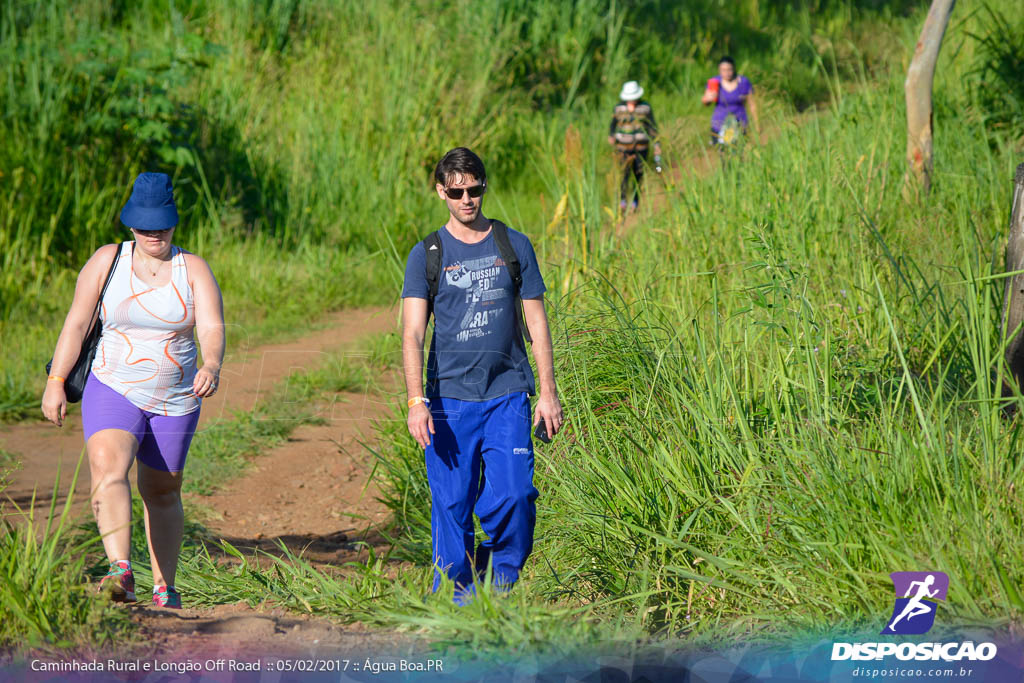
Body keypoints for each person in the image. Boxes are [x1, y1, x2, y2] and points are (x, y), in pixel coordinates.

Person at [41, 172, 225, 609]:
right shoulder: (108, 260)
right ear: (130, 225)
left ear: (174, 222)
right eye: (145, 227)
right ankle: (119, 570)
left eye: (161, 226)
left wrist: (212, 363)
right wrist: (55, 381)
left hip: (176, 398)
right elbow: (77, 323)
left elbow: (212, 326)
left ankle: (165, 587)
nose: (153, 234)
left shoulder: (193, 268)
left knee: (162, 491)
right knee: (108, 469)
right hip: (114, 384)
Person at [401, 147, 563, 605]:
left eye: (474, 189)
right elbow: (412, 334)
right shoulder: (426, 254)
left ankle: (499, 579)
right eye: (457, 192)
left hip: (507, 393)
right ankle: (456, 599)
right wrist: (416, 402)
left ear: (484, 187)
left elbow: (537, 323)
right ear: (441, 192)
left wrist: (547, 393)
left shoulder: (514, 246)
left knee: (514, 495)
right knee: (451, 506)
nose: (467, 199)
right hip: (447, 401)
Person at [608, 80, 661, 213]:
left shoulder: (645, 108)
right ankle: (623, 200)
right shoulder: (619, 108)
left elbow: (652, 126)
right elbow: (613, 124)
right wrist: (611, 135)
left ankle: (635, 201)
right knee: (623, 174)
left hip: (641, 148)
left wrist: (656, 143)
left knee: (638, 174)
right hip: (623, 148)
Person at [701, 56, 760, 146]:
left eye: (729, 69)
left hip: (739, 124)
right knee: (723, 153)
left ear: (734, 68)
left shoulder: (743, 82)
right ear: (719, 70)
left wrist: (757, 124)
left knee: (738, 153)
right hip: (719, 124)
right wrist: (708, 99)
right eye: (723, 70)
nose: (727, 73)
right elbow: (705, 101)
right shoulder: (715, 82)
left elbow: (752, 104)